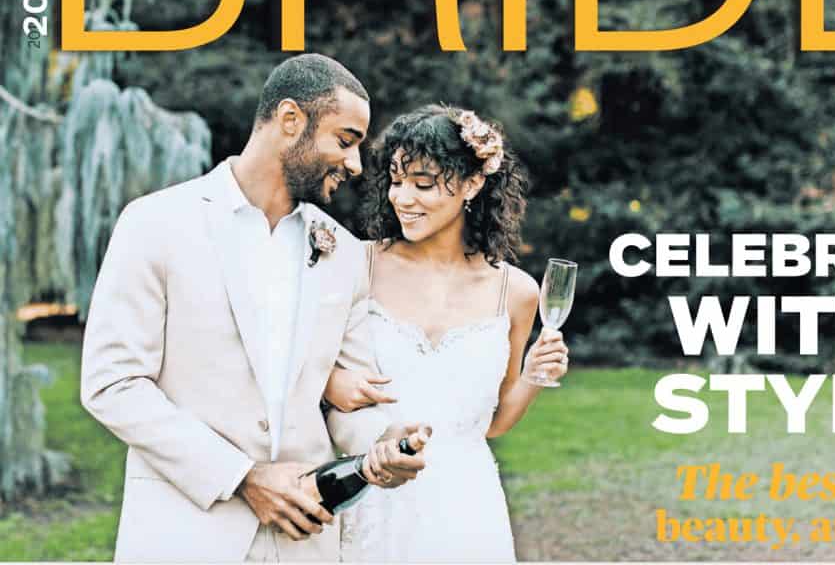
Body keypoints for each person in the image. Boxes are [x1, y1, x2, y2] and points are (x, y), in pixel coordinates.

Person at [80, 54, 427, 563]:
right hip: (184, 533)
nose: (355, 165)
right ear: (291, 121)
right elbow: (113, 384)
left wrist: (384, 445)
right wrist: (243, 477)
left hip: (305, 538)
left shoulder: (345, 253)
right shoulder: (155, 223)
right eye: (345, 140)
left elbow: (347, 399)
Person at [323, 104, 571, 562]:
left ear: (473, 184)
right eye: (396, 182)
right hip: (374, 498)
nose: (403, 198)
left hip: (467, 509)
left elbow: (492, 424)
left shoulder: (515, 292)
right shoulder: (358, 265)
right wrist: (332, 386)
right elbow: (308, 372)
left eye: (423, 184)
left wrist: (535, 376)